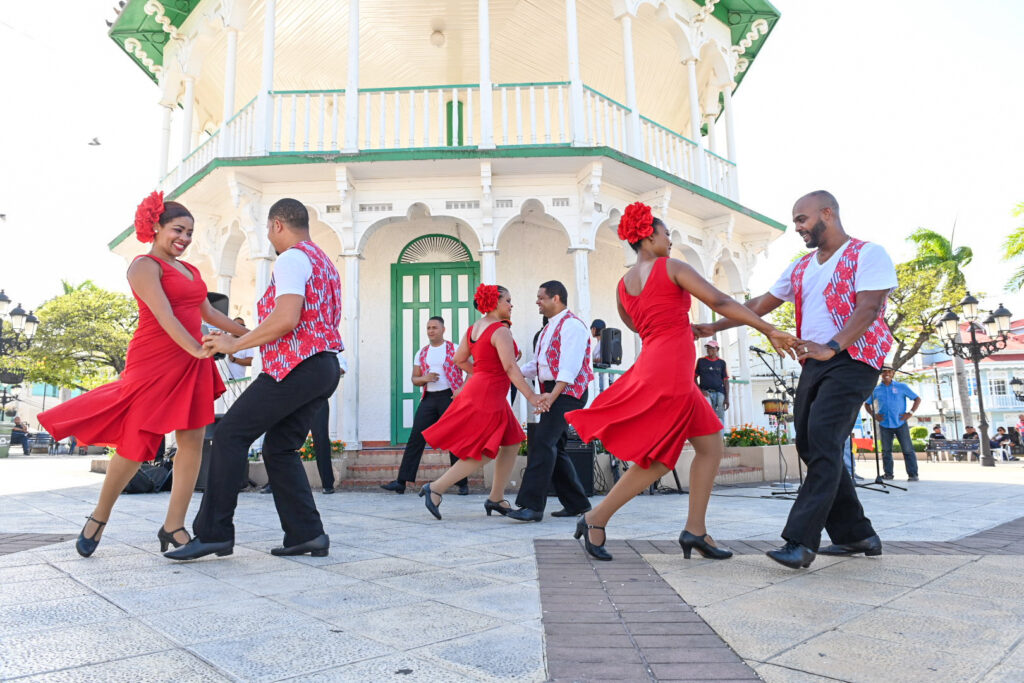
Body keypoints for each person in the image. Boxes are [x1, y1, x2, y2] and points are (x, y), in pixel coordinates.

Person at [566, 202, 799, 561]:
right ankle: (596, 518)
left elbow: (640, 326)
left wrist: (676, 327)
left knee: (710, 447)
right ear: (648, 237)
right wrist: (768, 328)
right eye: (665, 234)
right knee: (659, 459)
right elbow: (720, 299)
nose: (670, 241)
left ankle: (695, 530)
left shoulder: (622, 286)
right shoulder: (671, 266)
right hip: (671, 371)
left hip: (656, 363)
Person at [38, 192, 247, 558]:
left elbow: (211, 316)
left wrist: (255, 334)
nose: (183, 239)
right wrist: (197, 347)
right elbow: (165, 315)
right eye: (177, 230)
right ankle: (99, 517)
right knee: (136, 444)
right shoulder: (143, 265)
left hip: (191, 360)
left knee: (193, 443)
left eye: (189, 233)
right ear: (157, 228)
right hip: (156, 360)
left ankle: (173, 526)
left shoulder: (191, 270)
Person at [695, 190, 897, 569]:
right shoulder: (801, 267)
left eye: (802, 220)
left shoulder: (868, 254)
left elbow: (868, 308)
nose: (798, 228)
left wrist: (832, 346)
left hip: (854, 359)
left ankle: (801, 542)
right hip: (816, 361)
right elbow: (757, 306)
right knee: (808, 442)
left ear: (827, 213)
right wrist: (714, 326)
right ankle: (857, 534)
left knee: (822, 440)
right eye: (795, 223)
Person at [166, 198, 343, 561]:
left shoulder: (293, 258)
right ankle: (306, 534)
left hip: (298, 367)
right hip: (323, 367)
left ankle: (214, 533)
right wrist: (246, 345)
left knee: (231, 434)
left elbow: (287, 318)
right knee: (279, 448)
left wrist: (236, 341)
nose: (268, 237)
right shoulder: (324, 262)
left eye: (267, 230)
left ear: (277, 225)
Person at [418, 284, 547, 520]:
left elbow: (459, 359)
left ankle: (496, 498)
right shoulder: (500, 331)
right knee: (485, 451)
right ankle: (435, 488)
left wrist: (481, 372)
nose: (511, 304)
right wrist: (532, 396)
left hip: (484, 390)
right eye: (507, 300)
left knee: (511, 442)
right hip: (489, 395)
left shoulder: (474, 329)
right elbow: (509, 367)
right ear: (495, 303)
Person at [507, 281, 594, 522]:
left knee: (543, 443)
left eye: (541, 297)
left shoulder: (573, 326)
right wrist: (511, 370)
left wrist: (550, 397)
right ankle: (577, 503)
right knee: (555, 446)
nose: (537, 301)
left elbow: (569, 367)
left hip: (567, 392)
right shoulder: (547, 329)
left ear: (556, 298)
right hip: (550, 391)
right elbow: (537, 366)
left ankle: (531, 506)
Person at [381, 316, 469, 495]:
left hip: (449, 397)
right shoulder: (421, 352)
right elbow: (415, 379)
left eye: (434, 327)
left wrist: (462, 389)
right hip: (429, 398)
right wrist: (425, 379)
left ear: (443, 329)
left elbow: (472, 370)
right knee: (416, 437)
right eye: (428, 328)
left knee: (455, 438)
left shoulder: (455, 349)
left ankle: (462, 483)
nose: (431, 331)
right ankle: (401, 482)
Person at [863, 366, 921, 481]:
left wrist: (910, 413)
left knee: (908, 449)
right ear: (881, 374)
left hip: (901, 423)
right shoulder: (876, 389)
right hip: (884, 424)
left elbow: (917, 399)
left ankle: (913, 474)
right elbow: (866, 404)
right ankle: (888, 474)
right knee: (886, 451)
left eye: (889, 371)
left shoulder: (902, 387)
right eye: (884, 372)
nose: (886, 374)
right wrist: (874, 415)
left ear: (893, 373)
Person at [695, 340, 729, 422]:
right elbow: (694, 377)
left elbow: (726, 381)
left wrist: (727, 398)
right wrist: (700, 391)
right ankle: (709, 434)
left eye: (712, 348)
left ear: (717, 349)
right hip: (706, 392)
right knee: (708, 415)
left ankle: (721, 434)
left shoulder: (722, 363)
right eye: (708, 348)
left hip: (720, 393)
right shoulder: (701, 361)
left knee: (720, 418)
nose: (709, 350)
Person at [590, 318, 607, 392]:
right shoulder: (601, 342)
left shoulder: (604, 342)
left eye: (592, 329)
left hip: (603, 377)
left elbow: (604, 358)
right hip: (600, 377)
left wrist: (591, 360)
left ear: (594, 329)